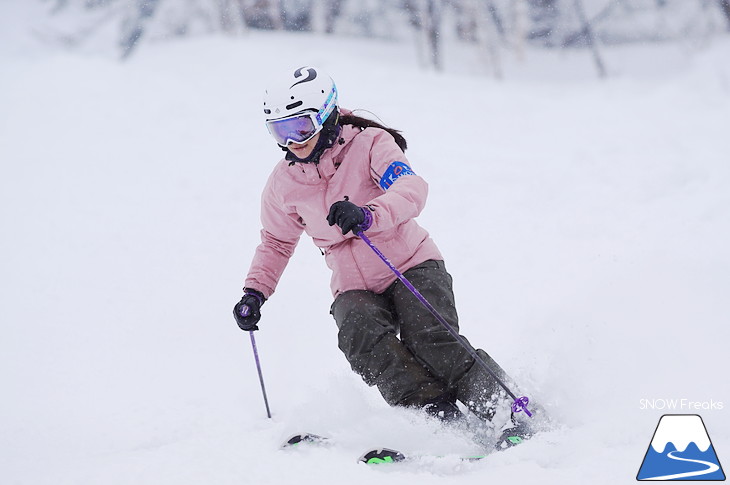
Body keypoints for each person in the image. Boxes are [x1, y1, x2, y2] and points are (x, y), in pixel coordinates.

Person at [234, 66, 535, 445]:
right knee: (361, 337)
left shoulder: (370, 144)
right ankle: (436, 420)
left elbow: (411, 188)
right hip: (352, 282)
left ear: (326, 114)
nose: (293, 141)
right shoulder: (284, 182)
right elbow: (276, 242)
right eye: (281, 131)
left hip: (411, 263)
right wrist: (255, 291)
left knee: (430, 338)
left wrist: (368, 214)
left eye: (301, 127)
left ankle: (507, 413)